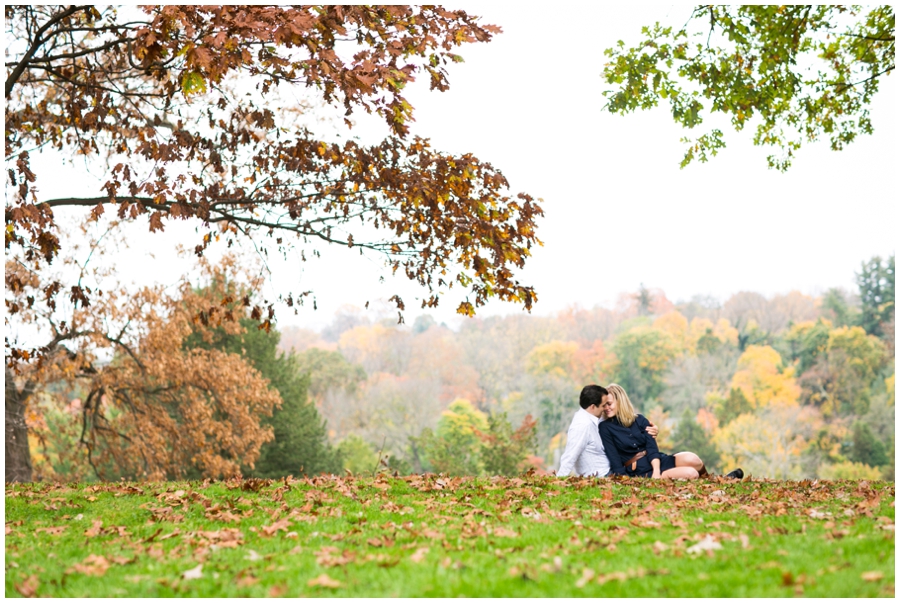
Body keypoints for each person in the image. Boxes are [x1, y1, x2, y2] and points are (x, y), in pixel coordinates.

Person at [599, 383, 743, 480]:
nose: (606, 408)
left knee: (693, 459)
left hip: (657, 461)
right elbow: (615, 460)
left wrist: (656, 469)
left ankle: (716, 481)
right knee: (691, 473)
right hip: (640, 471)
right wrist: (626, 481)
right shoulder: (605, 427)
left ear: (620, 401)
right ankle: (720, 483)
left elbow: (652, 448)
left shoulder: (639, 419)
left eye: (609, 404)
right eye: (604, 405)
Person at [556, 384, 658, 477]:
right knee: (665, 473)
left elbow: (617, 413)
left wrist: (652, 428)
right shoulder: (582, 426)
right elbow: (570, 456)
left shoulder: (592, 418)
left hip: (614, 471)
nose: (605, 408)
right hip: (604, 475)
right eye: (603, 405)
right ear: (592, 407)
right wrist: (559, 480)